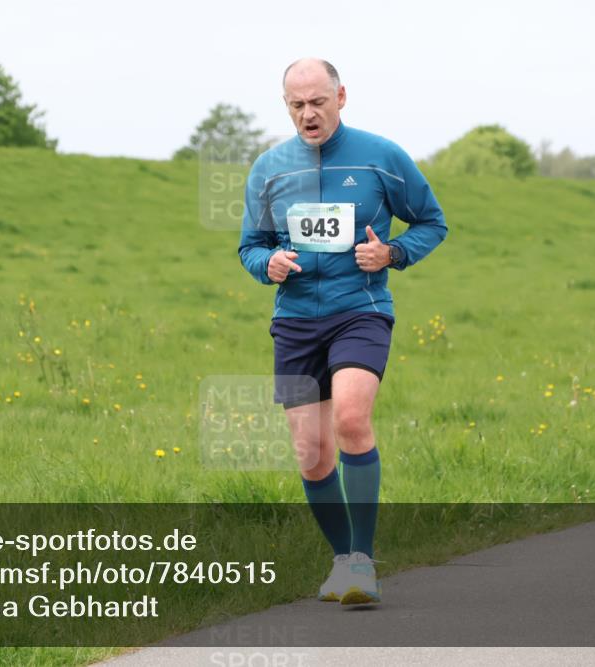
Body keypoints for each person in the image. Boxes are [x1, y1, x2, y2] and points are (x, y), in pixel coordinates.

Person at [238, 58, 447, 605]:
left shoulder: (382, 157)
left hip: (361, 309)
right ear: (286, 106)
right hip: (295, 320)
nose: (308, 114)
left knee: (352, 419)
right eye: (297, 105)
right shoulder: (269, 169)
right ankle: (341, 560)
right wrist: (268, 264)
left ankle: (362, 561)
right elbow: (250, 246)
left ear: (341, 97)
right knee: (312, 452)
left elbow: (432, 222)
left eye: (318, 102)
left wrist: (392, 252)